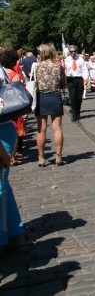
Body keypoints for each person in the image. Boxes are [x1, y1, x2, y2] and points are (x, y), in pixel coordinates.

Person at [0, 68, 24, 253]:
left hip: (2, 130)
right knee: (3, 184)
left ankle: (3, 237)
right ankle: (14, 231)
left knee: (0, 185)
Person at [34, 43, 66, 166]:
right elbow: (63, 84)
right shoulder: (58, 67)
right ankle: (58, 156)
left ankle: (41, 157)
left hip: (41, 96)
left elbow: (34, 82)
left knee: (41, 129)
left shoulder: (37, 67)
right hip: (55, 96)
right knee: (57, 128)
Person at [0, 49, 26, 165]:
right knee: (15, 130)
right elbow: (18, 90)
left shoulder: (3, 71)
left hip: (4, 110)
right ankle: (12, 156)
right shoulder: (13, 73)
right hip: (11, 108)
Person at [63, 44, 88, 122]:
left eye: (74, 51)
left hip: (79, 79)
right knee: (72, 97)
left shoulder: (80, 59)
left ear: (77, 51)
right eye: (71, 51)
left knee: (79, 97)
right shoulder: (66, 60)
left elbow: (84, 69)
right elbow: (64, 70)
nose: (73, 53)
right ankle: (74, 113)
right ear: (69, 52)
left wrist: (86, 78)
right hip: (70, 79)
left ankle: (78, 110)